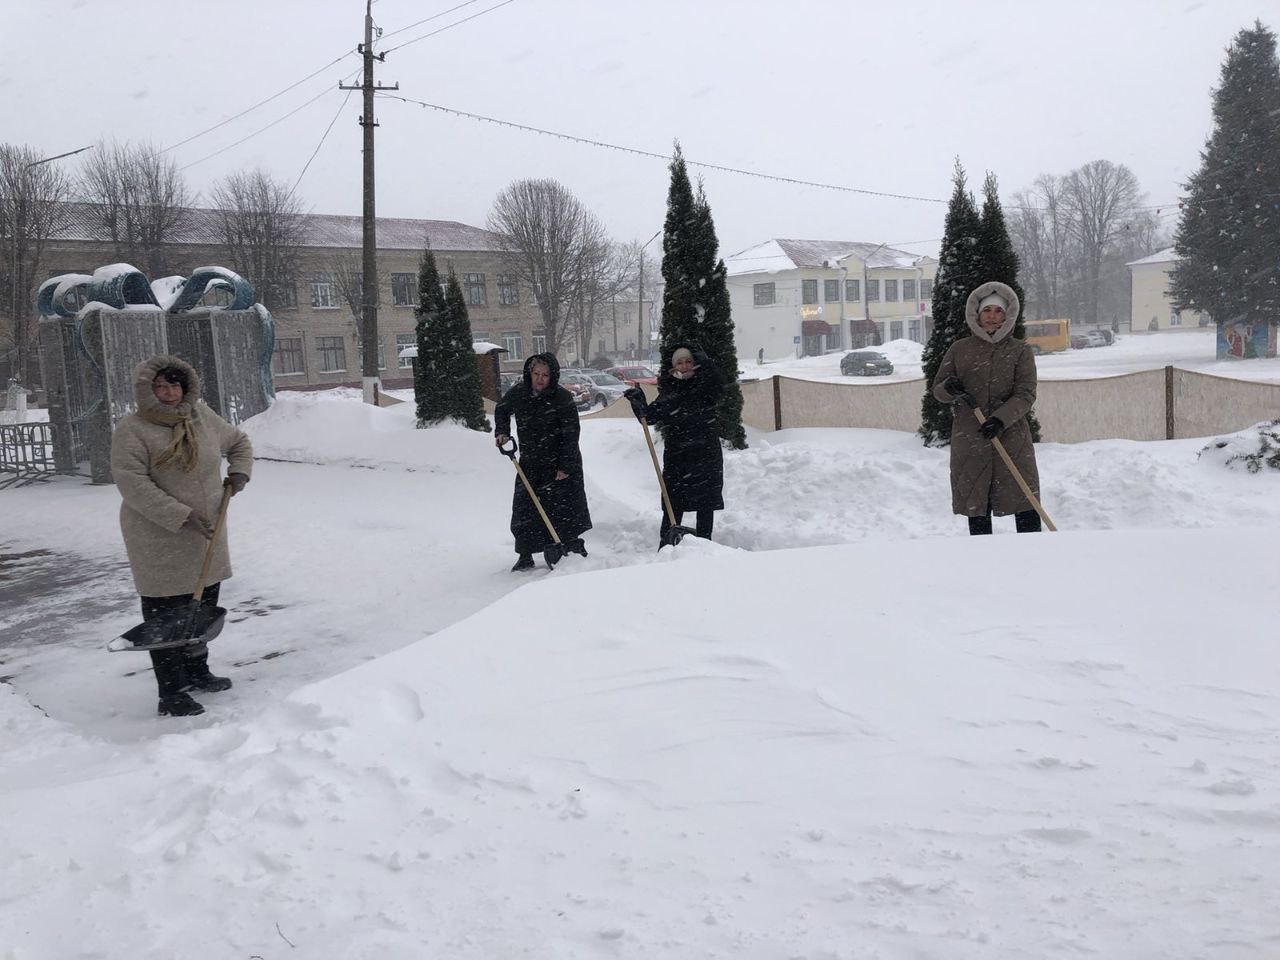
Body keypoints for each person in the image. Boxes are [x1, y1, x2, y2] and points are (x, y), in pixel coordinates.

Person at [110, 355, 253, 717]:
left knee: (200, 610)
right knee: (166, 618)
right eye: (160, 386)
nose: (169, 392)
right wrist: (180, 514)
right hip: (158, 536)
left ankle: (196, 671)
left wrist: (239, 473)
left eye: (174, 385)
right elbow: (132, 483)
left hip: (206, 534)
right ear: (147, 390)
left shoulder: (201, 416)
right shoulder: (133, 429)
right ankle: (171, 693)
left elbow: (238, 442)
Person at [932, 281, 1043, 536]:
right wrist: (949, 387)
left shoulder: (1020, 351)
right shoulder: (960, 349)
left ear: (1007, 315)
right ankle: (980, 556)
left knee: (1025, 502)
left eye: (998, 311)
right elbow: (938, 391)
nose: (992, 316)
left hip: (1011, 438)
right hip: (971, 439)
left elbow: (1025, 394)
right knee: (977, 504)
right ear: (977, 314)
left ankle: (1034, 553)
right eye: (987, 310)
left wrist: (1000, 420)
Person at [493, 353, 591, 570]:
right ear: (529, 373)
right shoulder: (520, 392)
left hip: (559, 463)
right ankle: (525, 555)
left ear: (552, 376)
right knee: (525, 510)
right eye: (536, 373)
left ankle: (570, 546)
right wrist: (502, 431)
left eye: (545, 375)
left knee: (562, 508)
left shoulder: (562, 398)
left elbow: (571, 433)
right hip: (531, 462)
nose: (539, 379)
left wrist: (565, 466)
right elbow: (502, 409)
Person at [625, 343, 724, 545]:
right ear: (673, 366)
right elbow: (649, 417)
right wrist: (639, 404)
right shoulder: (670, 390)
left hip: (705, 453)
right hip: (678, 456)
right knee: (673, 499)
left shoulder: (705, 386)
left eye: (688, 361)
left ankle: (705, 542)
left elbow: (717, 385)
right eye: (680, 362)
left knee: (705, 502)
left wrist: (707, 363)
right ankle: (668, 541)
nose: (684, 366)